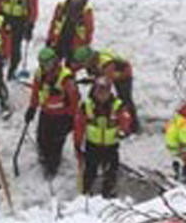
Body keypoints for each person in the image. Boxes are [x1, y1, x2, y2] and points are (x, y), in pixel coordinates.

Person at [25, 47, 80, 179]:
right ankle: (44, 156)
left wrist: (71, 118)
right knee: (42, 137)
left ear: (55, 62)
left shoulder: (66, 78)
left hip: (62, 116)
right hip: (46, 112)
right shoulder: (40, 74)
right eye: (43, 64)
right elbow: (36, 92)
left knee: (56, 142)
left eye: (48, 64)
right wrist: (32, 108)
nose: (45, 67)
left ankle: (52, 166)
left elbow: (74, 99)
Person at [74, 76, 133, 198]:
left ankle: (109, 196)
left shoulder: (117, 105)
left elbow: (126, 119)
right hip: (92, 145)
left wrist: (123, 130)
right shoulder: (86, 106)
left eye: (104, 91)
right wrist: (78, 144)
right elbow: (79, 126)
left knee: (111, 173)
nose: (101, 94)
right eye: (99, 91)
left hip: (111, 146)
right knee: (89, 172)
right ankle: (85, 195)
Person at [72, 46, 138, 133]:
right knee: (93, 96)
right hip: (107, 73)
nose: (83, 66)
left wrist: (96, 87)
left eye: (84, 63)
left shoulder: (106, 64)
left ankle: (133, 126)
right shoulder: (95, 61)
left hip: (123, 75)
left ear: (89, 60)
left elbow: (106, 84)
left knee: (125, 99)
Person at [0, 0, 39, 80]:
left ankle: (12, 71)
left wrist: (30, 24)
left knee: (16, 48)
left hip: (20, 22)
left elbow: (33, 9)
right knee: (2, 45)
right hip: (5, 19)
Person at [46, 0, 94, 64]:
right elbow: (54, 23)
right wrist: (50, 38)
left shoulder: (86, 11)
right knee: (54, 64)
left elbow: (89, 30)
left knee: (71, 66)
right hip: (60, 40)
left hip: (75, 44)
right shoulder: (62, 7)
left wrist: (85, 45)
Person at [165, 103, 186, 181]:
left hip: (172, 143)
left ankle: (178, 170)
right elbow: (184, 137)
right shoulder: (183, 122)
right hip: (178, 144)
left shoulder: (178, 117)